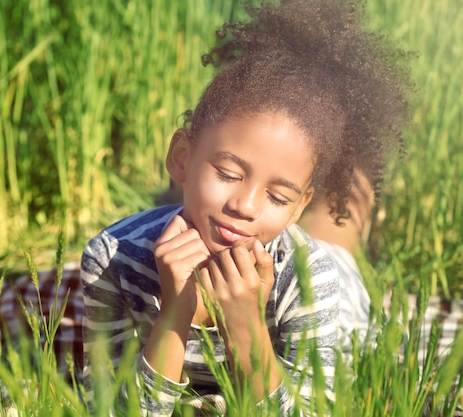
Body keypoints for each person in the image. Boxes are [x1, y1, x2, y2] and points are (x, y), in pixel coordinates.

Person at [80, 0, 412, 415]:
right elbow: (106, 407)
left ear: (295, 207)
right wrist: (172, 317)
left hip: (339, 281)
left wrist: (246, 325)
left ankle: (347, 186)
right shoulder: (111, 257)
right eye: (229, 173)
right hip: (263, 229)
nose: (245, 206)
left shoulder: (314, 281)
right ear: (180, 155)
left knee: (338, 229)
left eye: (277, 197)